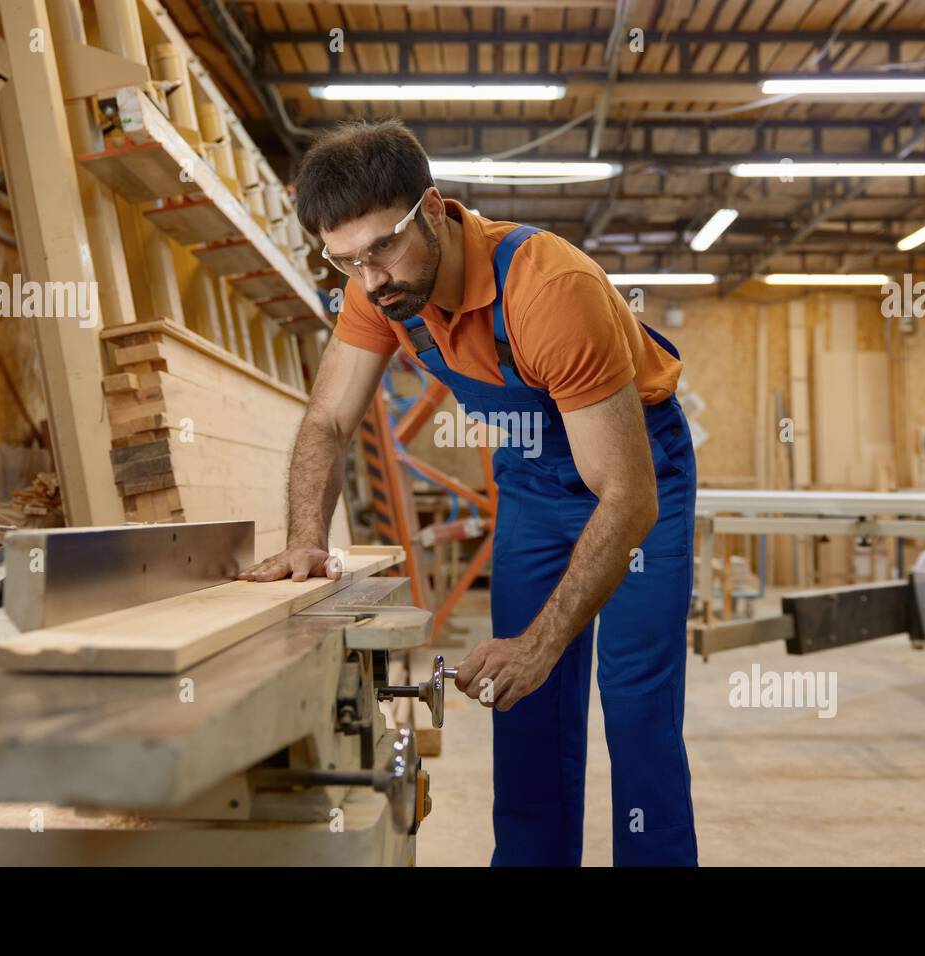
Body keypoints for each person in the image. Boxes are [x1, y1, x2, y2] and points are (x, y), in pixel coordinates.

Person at [239, 118, 698, 866]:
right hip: (532, 486)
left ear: (433, 209)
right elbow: (327, 419)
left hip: (636, 476)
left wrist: (545, 643)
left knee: (636, 706)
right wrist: (304, 542)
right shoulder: (378, 293)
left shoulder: (551, 290)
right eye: (345, 262)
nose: (372, 280)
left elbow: (627, 495)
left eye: (383, 248)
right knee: (520, 704)